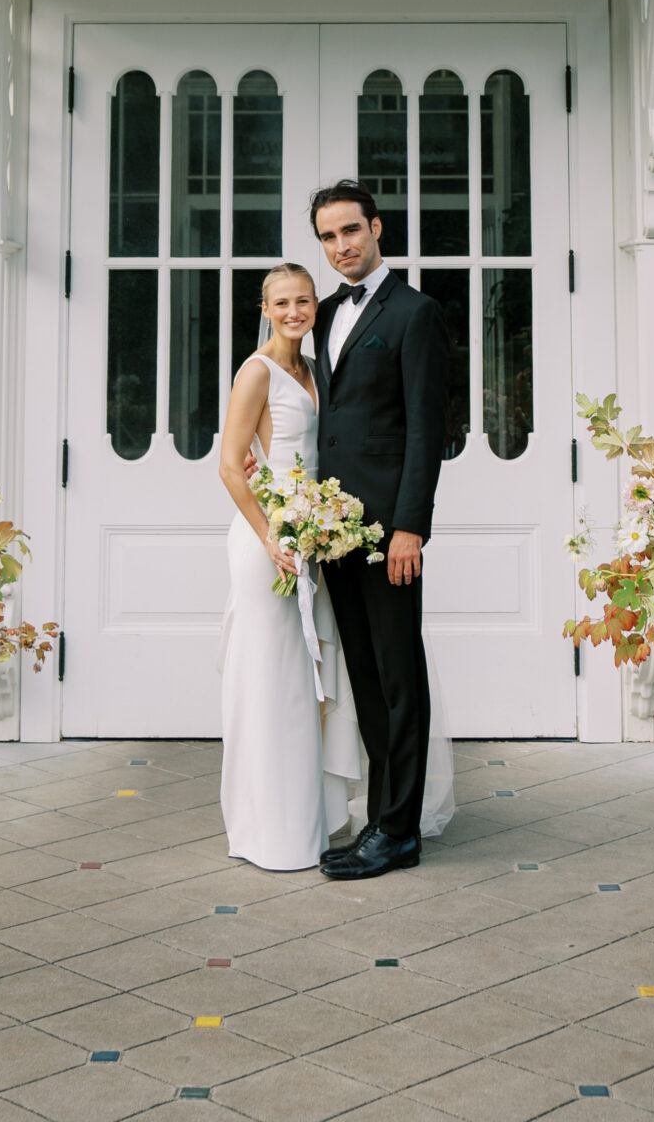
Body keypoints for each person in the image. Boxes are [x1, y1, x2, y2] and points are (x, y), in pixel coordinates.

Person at [311, 179, 450, 881]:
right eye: (328, 237)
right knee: (364, 676)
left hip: (386, 532)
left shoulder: (415, 313)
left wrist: (408, 528)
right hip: (332, 532)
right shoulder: (324, 312)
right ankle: (381, 818)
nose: (340, 247)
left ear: (377, 228)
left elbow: (428, 429)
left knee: (399, 678)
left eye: (350, 231)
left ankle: (398, 830)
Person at [216, 263, 352, 870]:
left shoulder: (314, 369)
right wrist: (273, 537)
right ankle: (269, 830)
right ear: (264, 308)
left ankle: (310, 823)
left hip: (311, 536)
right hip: (267, 541)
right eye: (282, 302)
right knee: (272, 683)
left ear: (315, 305)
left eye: (304, 300)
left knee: (308, 684)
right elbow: (228, 465)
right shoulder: (257, 371)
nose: (294, 311)